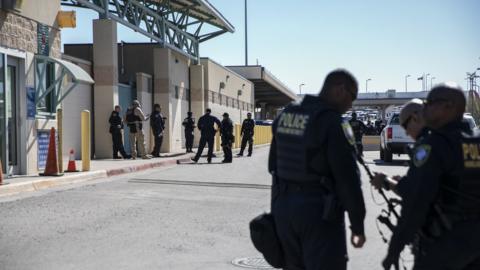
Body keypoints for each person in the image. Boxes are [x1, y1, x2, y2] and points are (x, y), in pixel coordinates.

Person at [373, 83, 480, 270]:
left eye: (430, 103)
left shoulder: (434, 146)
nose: (425, 109)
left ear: (449, 106)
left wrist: (394, 249)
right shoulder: (474, 143)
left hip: (448, 244)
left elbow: (416, 202)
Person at [269, 69, 366, 270]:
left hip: (284, 211)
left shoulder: (286, 114)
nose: (350, 105)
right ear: (340, 90)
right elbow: (347, 180)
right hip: (319, 214)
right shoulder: (332, 123)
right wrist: (357, 225)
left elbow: (273, 166)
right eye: (352, 97)